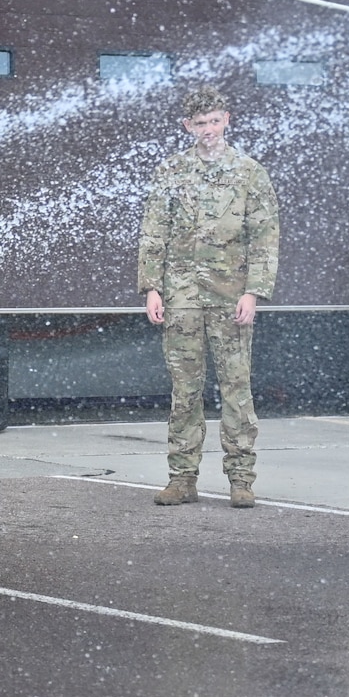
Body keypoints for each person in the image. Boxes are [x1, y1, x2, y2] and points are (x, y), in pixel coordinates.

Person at [138, 85, 280, 509]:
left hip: (230, 294)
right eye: (200, 123)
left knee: (236, 388)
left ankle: (241, 479)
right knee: (185, 390)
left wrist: (254, 292)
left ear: (227, 119)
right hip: (180, 295)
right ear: (187, 126)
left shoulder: (249, 171)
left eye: (215, 121)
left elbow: (264, 237)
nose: (208, 130)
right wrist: (151, 288)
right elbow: (153, 231)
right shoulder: (171, 171)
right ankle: (182, 478)